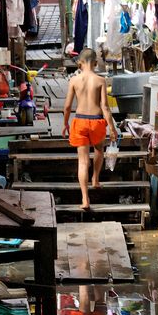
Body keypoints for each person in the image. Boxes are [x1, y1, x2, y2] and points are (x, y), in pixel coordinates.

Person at [62, 47, 118, 210]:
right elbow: (105, 107)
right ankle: (95, 179)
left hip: (80, 122)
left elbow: (67, 107)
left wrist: (66, 123)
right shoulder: (100, 80)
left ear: (79, 63)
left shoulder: (74, 80)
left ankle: (85, 200)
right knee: (99, 149)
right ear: (95, 62)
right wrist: (112, 129)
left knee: (83, 161)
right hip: (96, 122)